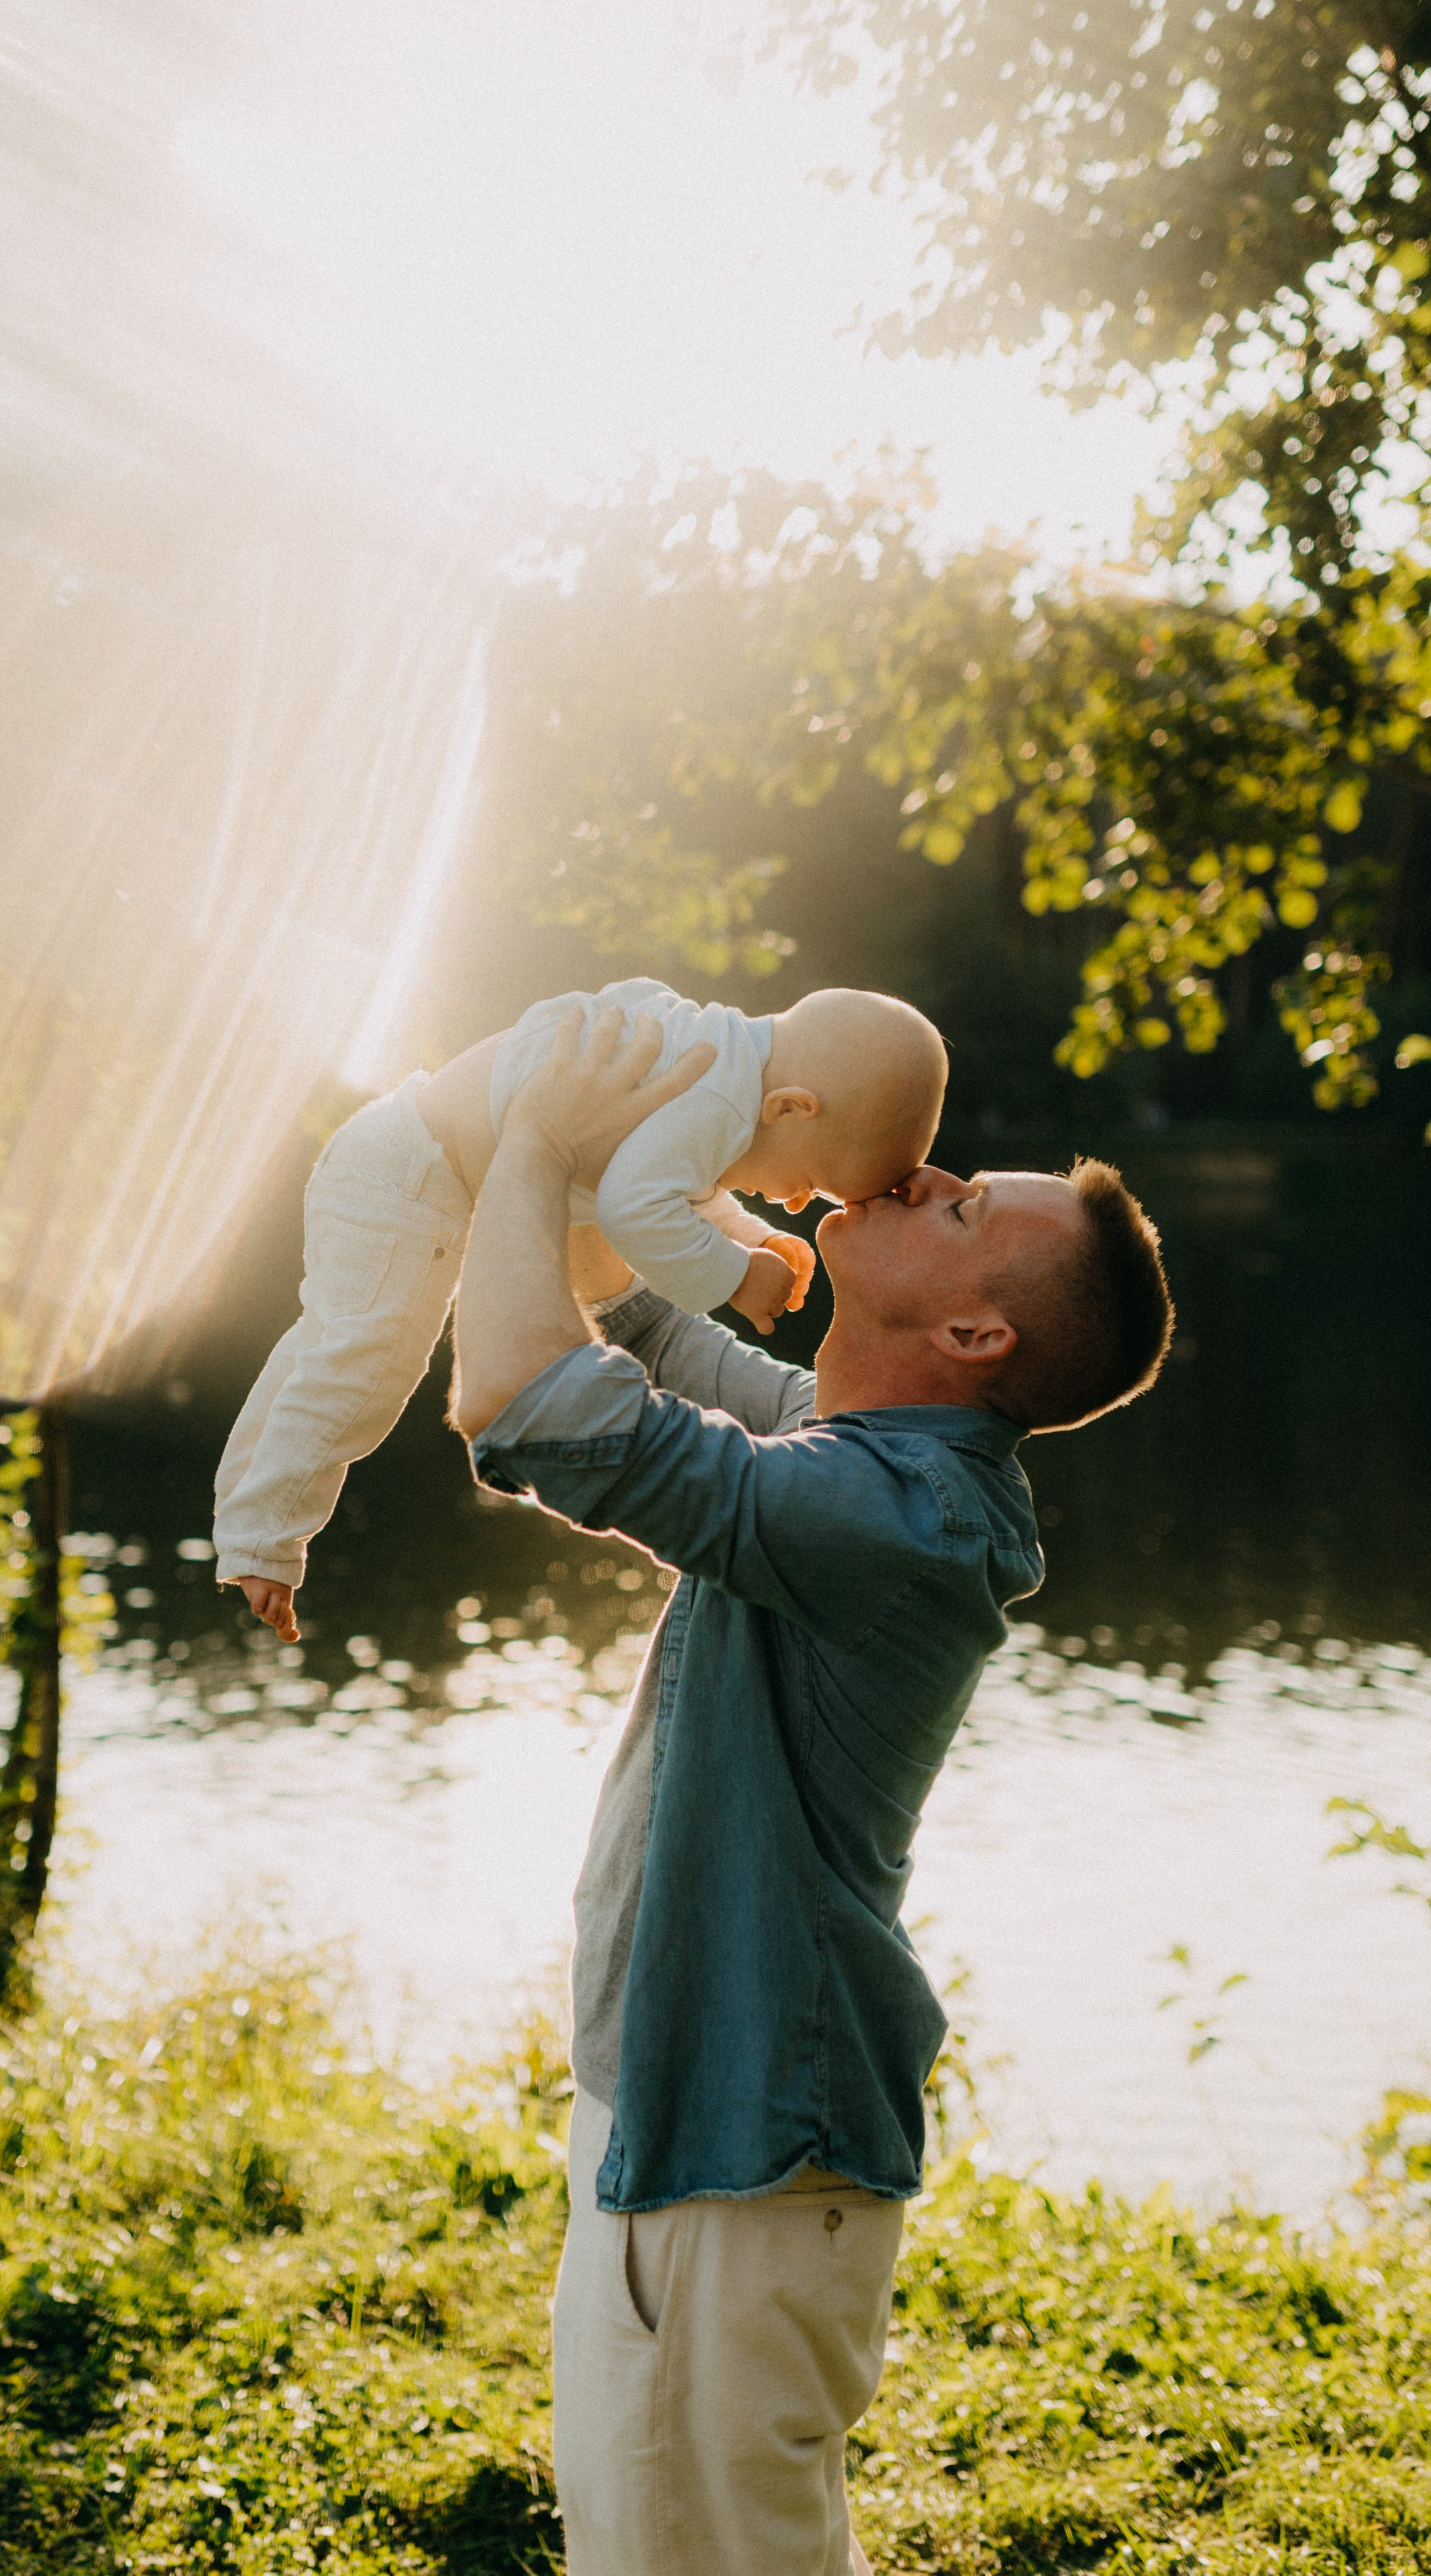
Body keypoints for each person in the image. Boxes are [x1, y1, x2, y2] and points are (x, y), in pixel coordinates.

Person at [448, 1006, 1175, 2576]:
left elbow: (518, 1396)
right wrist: (620, 1158)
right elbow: (636, 1338)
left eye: (964, 1206)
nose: (920, 1177)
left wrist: (517, 1147)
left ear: (977, 1337)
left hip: (738, 2143)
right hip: (710, 2122)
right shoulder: (865, 1453)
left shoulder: (886, 1511)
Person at [213, 977, 947, 1641]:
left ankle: (246, 1513)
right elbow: (639, 1208)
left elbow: (675, 1174)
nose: (792, 1201)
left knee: (328, 1349)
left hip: (392, 1146)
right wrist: (734, 1277)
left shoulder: (711, 1054)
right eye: (809, 1184)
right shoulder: (720, 1100)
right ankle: (265, 1545)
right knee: (368, 1368)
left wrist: (753, 1235)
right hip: (415, 1180)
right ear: (790, 1107)